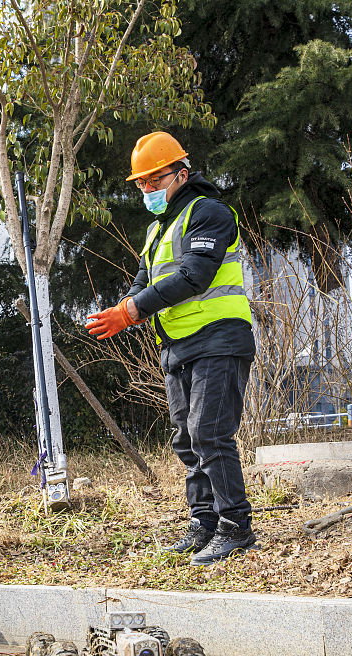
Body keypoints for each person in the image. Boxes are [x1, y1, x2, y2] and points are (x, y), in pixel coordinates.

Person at [85, 132, 257, 565]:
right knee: (186, 438)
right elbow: (144, 281)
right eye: (140, 183)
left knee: (209, 433)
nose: (146, 189)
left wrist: (132, 311)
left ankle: (235, 526)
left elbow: (194, 276)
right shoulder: (158, 229)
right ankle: (204, 522)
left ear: (181, 174)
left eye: (153, 179)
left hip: (219, 338)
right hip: (178, 345)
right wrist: (126, 308)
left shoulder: (210, 213)